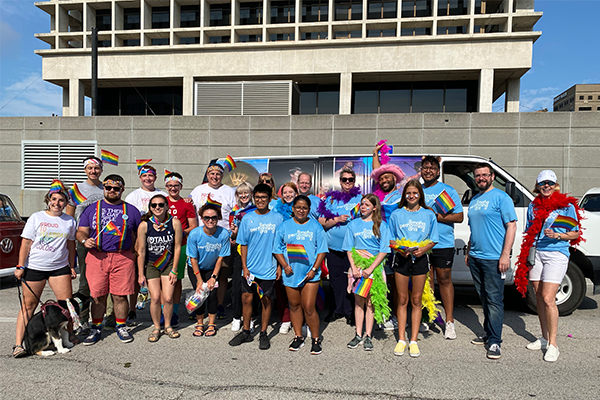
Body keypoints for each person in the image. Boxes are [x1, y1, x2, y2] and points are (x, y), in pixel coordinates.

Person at [516, 170, 582, 362]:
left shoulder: (565, 206)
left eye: (550, 183)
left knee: (547, 298)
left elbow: (575, 233)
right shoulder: (533, 206)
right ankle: (544, 338)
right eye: (543, 183)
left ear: (555, 185)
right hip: (536, 253)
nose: (546, 186)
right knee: (537, 295)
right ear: (537, 185)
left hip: (557, 253)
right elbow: (529, 231)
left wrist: (559, 235)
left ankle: (553, 344)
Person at [12, 181, 77, 358]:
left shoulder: (69, 221)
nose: (57, 203)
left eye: (61, 200)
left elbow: (71, 245)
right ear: (48, 200)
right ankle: (19, 344)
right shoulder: (36, 217)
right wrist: (20, 266)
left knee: (66, 306)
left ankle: (69, 335)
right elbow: (26, 243)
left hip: (59, 268)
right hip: (36, 267)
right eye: (54, 199)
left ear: (66, 202)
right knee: (28, 306)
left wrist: (72, 266)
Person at [76, 174, 142, 345]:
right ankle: (96, 327)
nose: (112, 191)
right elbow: (81, 231)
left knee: (120, 295)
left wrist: (137, 258)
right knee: (98, 296)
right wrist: (85, 240)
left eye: (116, 188)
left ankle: (121, 326)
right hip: (97, 256)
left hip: (122, 256)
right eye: (109, 187)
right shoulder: (91, 209)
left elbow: (137, 237)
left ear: (122, 189)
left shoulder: (132, 211)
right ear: (104, 188)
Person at [465, 163, 517, 360]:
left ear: (492, 176)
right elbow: (474, 228)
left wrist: (505, 255)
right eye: (477, 175)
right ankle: (488, 333)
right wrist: (470, 250)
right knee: (484, 298)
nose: (481, 178)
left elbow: (511, 226)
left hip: (494, 258)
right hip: (476, 257)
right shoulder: (476, 199)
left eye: (484, 175)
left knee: (495, 300)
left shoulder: (502, 198)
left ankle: (495, 341)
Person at [229, 183, 284, 350]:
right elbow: (243, 244)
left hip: (269, 267)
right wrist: (244, 267)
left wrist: (280, 266)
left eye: (264, 197)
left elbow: (281, 245)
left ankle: (263, 332)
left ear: (269, 199)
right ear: (254, 198)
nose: (260, 200)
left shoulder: (278, 218)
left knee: (266, 300)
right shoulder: (247, 218)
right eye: (258, 197)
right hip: (250, 268)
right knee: (246, 299)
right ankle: (246, 331)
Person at [388, 180, 438, 358]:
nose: (411, 196)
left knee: (416, 300)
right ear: (404, 195)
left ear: (420, 195)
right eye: (408, 193)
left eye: (415, 193)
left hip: (421, 259)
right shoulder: (396, 214)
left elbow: (434, 238)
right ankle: (401, 339)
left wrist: (423, 250)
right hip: (402, 259)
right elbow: (391, 239)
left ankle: (414, 341)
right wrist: (400, 250)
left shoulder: (428, 214)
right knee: (402, 300)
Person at [274, 195, 328, 354]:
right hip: (291, 273)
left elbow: (322, 250)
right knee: (294, 306)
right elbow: (277, 249)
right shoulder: (284, 226)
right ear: (293, 208)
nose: (301, 210)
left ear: (309, 210)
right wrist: (284, 266)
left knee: (309, 307)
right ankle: (298, 336)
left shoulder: (315, 226)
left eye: (304, 208)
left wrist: (314, 269)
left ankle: (316, 338)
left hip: (310, 274)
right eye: (298, 207)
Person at [421, 156, 464, 339]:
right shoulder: (416, 190)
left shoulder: (448, 191)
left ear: (438, 171)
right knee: (425, 281)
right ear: (421, 171)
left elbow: (459, 217)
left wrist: (436, 216)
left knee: (444, 279)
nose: (428, 170)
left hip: (442, 242)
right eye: (425, 167)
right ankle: (428, 316)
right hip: (421, 243)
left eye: (432, 168)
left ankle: (449, 321)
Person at [343, 194, 391, 351]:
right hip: (357, 268)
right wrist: (355, 268)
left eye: (367, 204)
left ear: (374, 207)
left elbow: (384, 250)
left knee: (371, 303)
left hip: (374, 269)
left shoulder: (381, 225)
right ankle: (358, 334)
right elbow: (349, 248)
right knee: (359, 302)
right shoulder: (353, 224)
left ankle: (368, 335)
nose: (363, 207)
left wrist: (371, 268)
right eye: (362, 204)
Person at [189, 162, 236, 320]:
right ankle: (199, 307)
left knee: (220, 276)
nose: (215, 177)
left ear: (222, 176)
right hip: (202, 239)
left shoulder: (229, 191)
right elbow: (188, 206)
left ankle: (219, 305)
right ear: (207, 175)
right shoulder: (198, 190)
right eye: (212, 174)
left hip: (223, 239)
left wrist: (233, 233)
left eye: (218, 174)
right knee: (200, 275)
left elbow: (235, 213)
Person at [66, 156, 105, 334]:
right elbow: (69, 217)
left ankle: (109, 316)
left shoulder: (106, 188)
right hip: (84, 241)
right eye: (90, 168)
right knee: (85, 282)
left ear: (101, 170)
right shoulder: (77, 189)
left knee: (106, 280)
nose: (93, 171)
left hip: (105, 240)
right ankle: (83, 319)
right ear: (85, 170)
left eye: (96, 168)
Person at [318, 168, 362, 325]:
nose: (347, 182)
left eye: (350, 179)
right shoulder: (330, 200)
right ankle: (337, 309)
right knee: (336, 280)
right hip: (333, 248)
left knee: (352, 279)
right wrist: (336, 219)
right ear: (340, 181)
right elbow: (321, 222)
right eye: (344, 179)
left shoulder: (360, 199)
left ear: (354, 181)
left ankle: (350, 311)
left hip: (353, 248)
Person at [125, 164, 167, 324]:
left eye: (150, 176)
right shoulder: (133, 196)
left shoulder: (162, 194)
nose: (148, 179)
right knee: (137, 276)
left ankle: (162, 311)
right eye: (144, 176)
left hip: (160, 243)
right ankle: (132, 309)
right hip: (139, 240)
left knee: (160, 277)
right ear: (140, 177)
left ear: (155, 178)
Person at [137, 194, 183, 342]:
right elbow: (141, 251)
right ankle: (157, 327)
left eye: (161, 205)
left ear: (167, 207)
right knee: (155, 298)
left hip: (168, 263)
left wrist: (175, 269)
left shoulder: (175, 223)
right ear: (150, 208)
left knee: (168, 298)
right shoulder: (145, 225)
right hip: (151, 264)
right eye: (154, 205)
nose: (158, 207)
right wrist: (140, 274)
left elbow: (177, 247)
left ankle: (168, 326)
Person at [371, 142, 405, 331]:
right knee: (381, 280)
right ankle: (384, 314)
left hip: (395, 244)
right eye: (381, 178)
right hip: (379, 244)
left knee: (395, 282)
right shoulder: (379, 196)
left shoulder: (401, 196)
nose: (384, 180)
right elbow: (379, 171)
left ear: (394, 179)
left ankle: (397, 314)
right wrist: (375, 153)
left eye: (387, 177)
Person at [187, 202, 231, 337]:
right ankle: (199, 323)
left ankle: (212, 323)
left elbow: (220, 258)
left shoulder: (223, 234)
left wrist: (213, 277)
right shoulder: (195, 234)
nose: (210, 220)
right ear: (201, 218)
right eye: (206, 218)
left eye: (214, 218)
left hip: (212, 268)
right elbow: (193, 259)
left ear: (218, 218)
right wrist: (199, 280)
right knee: (199, 294)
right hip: (196, 268)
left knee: (212, 294)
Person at [165, 172, 198, 328]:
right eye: (170, 186)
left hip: (181, 245)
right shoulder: (160, 202)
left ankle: (175, 312)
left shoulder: (186, 204)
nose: (173, 188)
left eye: (176, 186)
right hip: (161, 246)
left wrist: (180, 232)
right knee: (161, 280)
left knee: (176, 279)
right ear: (166, 187)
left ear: (181, 187)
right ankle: (164, 311)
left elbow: (193, 226)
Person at [229, 182, 255, 332]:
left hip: (256, 252)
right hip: (240, 252)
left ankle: (250, 318)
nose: (244, 196)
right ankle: (236, 317)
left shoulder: (256, 210)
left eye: (246, 193)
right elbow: (234, 236)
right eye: (241, 193)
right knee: (237, 286)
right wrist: (233, 232)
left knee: (252, 286)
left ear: (251, 194)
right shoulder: (235, 212)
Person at [272, 182, 298, 333]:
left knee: (296, 286)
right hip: (281, 252)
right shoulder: (277, 211)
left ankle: (299, 318)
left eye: (291, 192)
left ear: (296, 193)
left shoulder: (301, 209)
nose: (288, 195)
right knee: (280, 286)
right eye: (285, 192)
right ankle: (285, 318)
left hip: (298, 252)